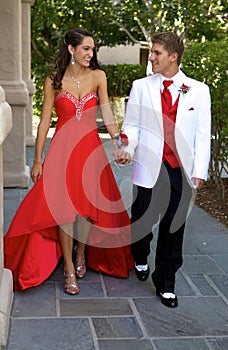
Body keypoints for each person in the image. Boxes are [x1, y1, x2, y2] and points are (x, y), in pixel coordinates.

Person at [4, 28, 134, 295]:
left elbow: (107, 114)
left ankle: (81, 253)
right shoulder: (53, 80)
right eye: (86, 48)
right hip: (61, 153)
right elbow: (43, 124)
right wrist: (38, 160)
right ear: (71, 49)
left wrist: (120, 143)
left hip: (90, 152)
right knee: (64, 212)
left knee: (86, 210)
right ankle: (68, 268)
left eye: (93, 49)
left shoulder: (98, 76)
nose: (91, 53)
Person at [114, 31, 211, 308]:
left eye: (157, 53)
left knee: (174, 227)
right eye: (152, 52)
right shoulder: (141, 86)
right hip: (149, 165)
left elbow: (202, 135)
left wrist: (200, 170)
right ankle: (140, 255)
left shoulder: (199, 91)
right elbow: (131, 127)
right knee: (142, 222)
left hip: (180, 170)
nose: (152, 57)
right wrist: (126, 149)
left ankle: (166, 282)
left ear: (173, 56)